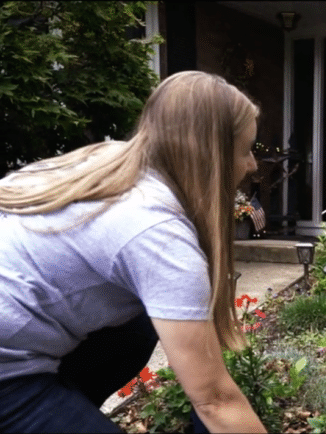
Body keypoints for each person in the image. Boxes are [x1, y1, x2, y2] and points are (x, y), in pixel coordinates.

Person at [0, 71, 267, 433]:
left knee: (140, 322)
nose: (252, 164)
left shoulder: (107, 161)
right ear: (213, 158)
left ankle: (65, 407)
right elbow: (215, 401)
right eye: (246, 149)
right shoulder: (157, 233)